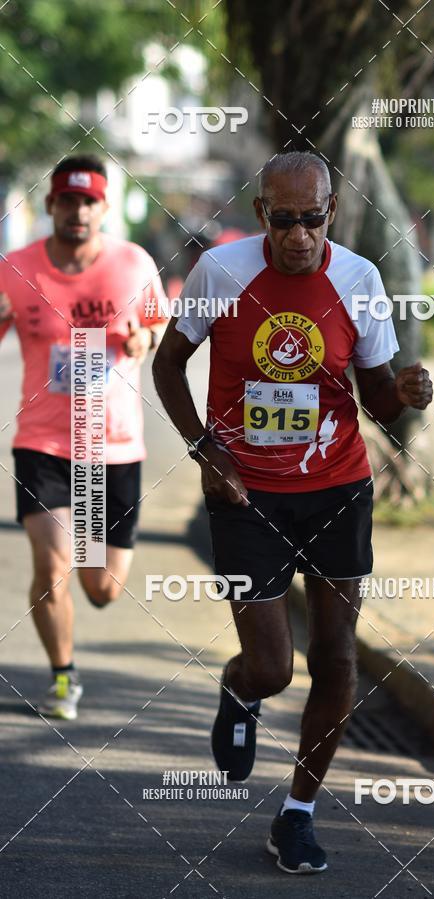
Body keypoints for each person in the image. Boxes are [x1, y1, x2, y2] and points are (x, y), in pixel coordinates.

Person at [152, 151, 433, 874]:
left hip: (338, 487)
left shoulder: (360, 280)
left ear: (330, 213)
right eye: (285, 219)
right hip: (246, 492)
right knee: (275, 666)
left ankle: (298, 814)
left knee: (337, 658)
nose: (301, 234)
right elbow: (166, 364)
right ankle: (241, 685)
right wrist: (207, 451)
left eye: (314, 218)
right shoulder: (223, 273)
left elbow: (376, 400)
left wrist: (404, 392)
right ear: (261, 216)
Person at [0, 154, 168, 720]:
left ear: (103, 207)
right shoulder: (14, 268)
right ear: (50, 205)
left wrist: (142, 340)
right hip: (44, 442)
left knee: (100, 586)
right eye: (67, 200)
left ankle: (88, 605)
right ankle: (62, 677)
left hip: (109, 445)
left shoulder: (132, 263)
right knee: (52, 567)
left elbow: (156, 323)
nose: (78, 211)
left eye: (88, 201)